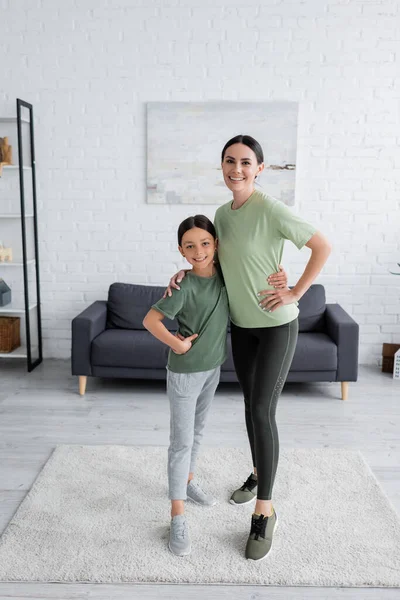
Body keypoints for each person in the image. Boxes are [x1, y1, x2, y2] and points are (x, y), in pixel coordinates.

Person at [165, 134, 332, 562]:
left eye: (244, 162)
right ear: (221, 167)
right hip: (241, 327)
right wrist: (181, 276)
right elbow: (215, 262)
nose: (235, 168)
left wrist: (296, 290)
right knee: (248, 407)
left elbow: (322, 246)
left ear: (259, 168)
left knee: (262, 410)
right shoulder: (221, 215)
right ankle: (259, 473)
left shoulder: (271, 209)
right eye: (228, 161)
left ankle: (264, 511)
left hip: (277, 326)